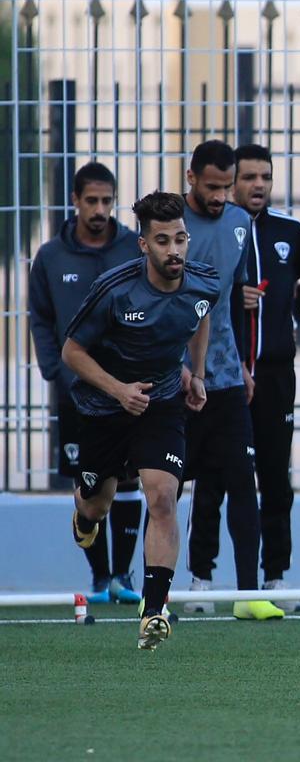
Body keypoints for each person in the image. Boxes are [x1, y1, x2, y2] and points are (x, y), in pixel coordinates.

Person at [65, 191, 219, 650]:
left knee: (163, 496)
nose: (174, 251)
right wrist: (118, 390)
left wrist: (197, 373)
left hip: (163, 399)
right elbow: (72, 351)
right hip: (106, 406)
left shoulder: (203, 282)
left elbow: (201, 314)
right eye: (163, 241)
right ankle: (84, 513)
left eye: (180, 239)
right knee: (99, 503)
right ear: (144, 245)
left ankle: (154, 610)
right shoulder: (116, 290)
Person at [188, 143, 300, 613]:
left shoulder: (290, 231)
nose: (256, 186)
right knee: (211, 477)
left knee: (274, 474)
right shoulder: (218, 228)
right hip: (221, 372)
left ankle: (274, 577)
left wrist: (292, 312)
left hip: (271, 372)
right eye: (247, 178)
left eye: (263, 177)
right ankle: (202, 577)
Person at [28, 162, 145, 604]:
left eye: (107, 201)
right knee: (91, 484)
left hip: (125, 386)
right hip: (76, 389)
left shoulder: (131, 251)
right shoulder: (52, 257)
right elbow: (41, 318)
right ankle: (99, 579)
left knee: (131, 478)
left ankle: (123, 576)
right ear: (75, 201)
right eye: (91, 201)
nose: (99, 209)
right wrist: (54, 370)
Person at [180, 140, 281, 621]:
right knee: (169, 487)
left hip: (224, 380)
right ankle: (168, 589)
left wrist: (240, 362)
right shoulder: (170, 227)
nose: (221, 196)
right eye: (213, 186)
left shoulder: (242, 225)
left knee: (243, 479)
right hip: (172, 381)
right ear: (191, 178)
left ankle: (248, 592)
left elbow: (230, 304)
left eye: (227, 186)